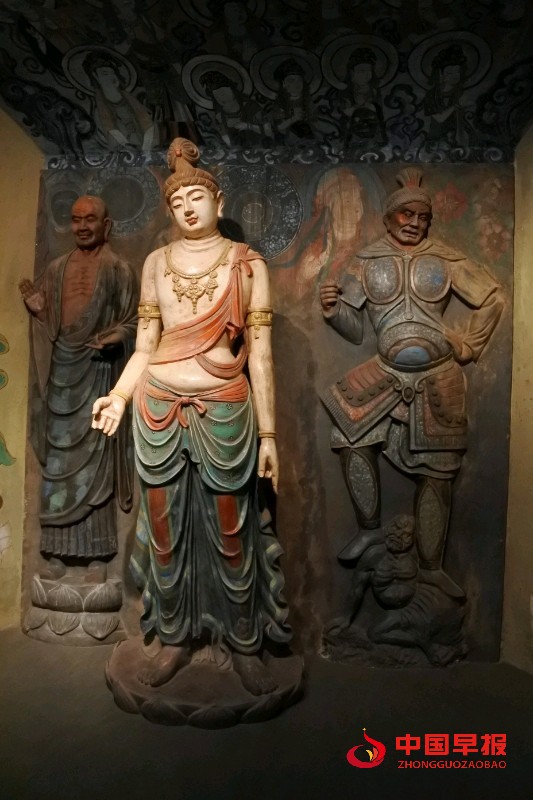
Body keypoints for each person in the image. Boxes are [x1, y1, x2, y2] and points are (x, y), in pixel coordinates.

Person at [92, 138, 291, 694]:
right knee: (165, 532)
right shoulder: (156, 263)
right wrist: (120, 397)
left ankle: (244, 641)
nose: (187, 208)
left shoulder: (247, 263)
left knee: (233, 530)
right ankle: (174, 638)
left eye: (197, 197)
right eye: (177, 202)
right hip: (156, 406)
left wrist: (269, 435)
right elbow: (144, 346)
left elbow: (262, 354)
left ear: (218, 202)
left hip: (225, 406)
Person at [320, 168, 504, 597]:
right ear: (388, 218)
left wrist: (469, 343)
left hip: (439, 374)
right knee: (348, 436)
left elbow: (493, 297)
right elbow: (355, 331)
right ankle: (369, 529)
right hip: (386, 369)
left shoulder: (445, 259)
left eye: (422, 217)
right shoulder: (366, 261)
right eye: (406, 215)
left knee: (439, 471)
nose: (414, 223)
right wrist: (333, 311)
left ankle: (431, 566)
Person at [19, 195, 137, 581]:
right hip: (63, 377)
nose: (83, 226)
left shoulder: (119, 271)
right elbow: (54, 325)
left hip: (100, 375)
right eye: (76, 219)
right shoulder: (56, 269)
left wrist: (118, 336)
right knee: (59, 466)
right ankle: (56, 553)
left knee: (96, 464)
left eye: (91, 219)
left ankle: (97, 557)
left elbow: (137, 323)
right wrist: (41, 310)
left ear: (107, 225)